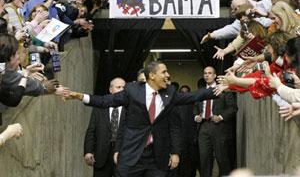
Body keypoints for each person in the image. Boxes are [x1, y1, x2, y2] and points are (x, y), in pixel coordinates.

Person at [67, 61, 216, 177]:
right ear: (152, 75)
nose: (168, 75)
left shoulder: (169, 93)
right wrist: (80, 96)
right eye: (164, 72)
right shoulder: (132, 90)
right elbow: (106, 101)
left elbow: (194, 96)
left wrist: (223, 87)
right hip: (133, 154)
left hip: (157, 157)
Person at [194, 66, 237, 177]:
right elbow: (194, 109)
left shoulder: (223, 89)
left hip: (219, 127)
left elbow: (233, 108)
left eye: (209, 73)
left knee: (222, 159)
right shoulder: (200, 92)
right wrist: (196, 116)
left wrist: (221, 117)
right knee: (204, 159)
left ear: (214, 75)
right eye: (205, 73)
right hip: (203, 127)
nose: (207, 75)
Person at [84, 78, 126, 177]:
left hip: (122, 155)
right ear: (110, 90)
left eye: (124, 88)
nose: (121, 90)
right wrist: (88, 151)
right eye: (118, 87)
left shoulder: (130, 108)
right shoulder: (99, 108)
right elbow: (91, 130)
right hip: (101, 155)